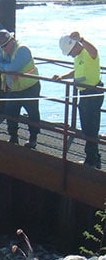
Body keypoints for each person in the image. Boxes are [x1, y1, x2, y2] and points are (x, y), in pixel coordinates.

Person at [54, 33, 104, 169]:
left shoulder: (88, 53)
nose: (70, 55)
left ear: (75, 46)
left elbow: (94, 51)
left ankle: (92, 160)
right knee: (87, 127)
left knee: (91, 127)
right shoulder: (78, 57)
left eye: (70, 52)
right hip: (84, 93)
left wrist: (82, 39)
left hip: (93, 93)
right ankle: (93, 158)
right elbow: (77, 71)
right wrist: (63, 77)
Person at [0, 29, 41, 148]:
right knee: (10, 113)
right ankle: (13, 138)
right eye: (1, 46)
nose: (3, 48)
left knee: (32, 113)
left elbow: (13, 67)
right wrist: (6, 67)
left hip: (29, 87)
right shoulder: (2, 49)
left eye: (5, 45)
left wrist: (3, 67)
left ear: (12, 40)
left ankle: (33, 139)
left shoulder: (23, 50)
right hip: (13, 88)